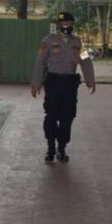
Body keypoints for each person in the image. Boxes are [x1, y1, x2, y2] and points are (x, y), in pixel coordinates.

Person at [30, 12, 95, 162]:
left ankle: (62, 148)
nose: (66, 26)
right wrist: (36, 83)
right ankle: (51, 146)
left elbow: (85, 61)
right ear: (58, 25)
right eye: (63, 23)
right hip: (53, 83)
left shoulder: (78, 43)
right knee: (51, 115)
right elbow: (40, 62)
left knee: (68, 116)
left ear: (72, 24)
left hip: (70, 84)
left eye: (69, 23)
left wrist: (90, 79)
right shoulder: (47, 41)